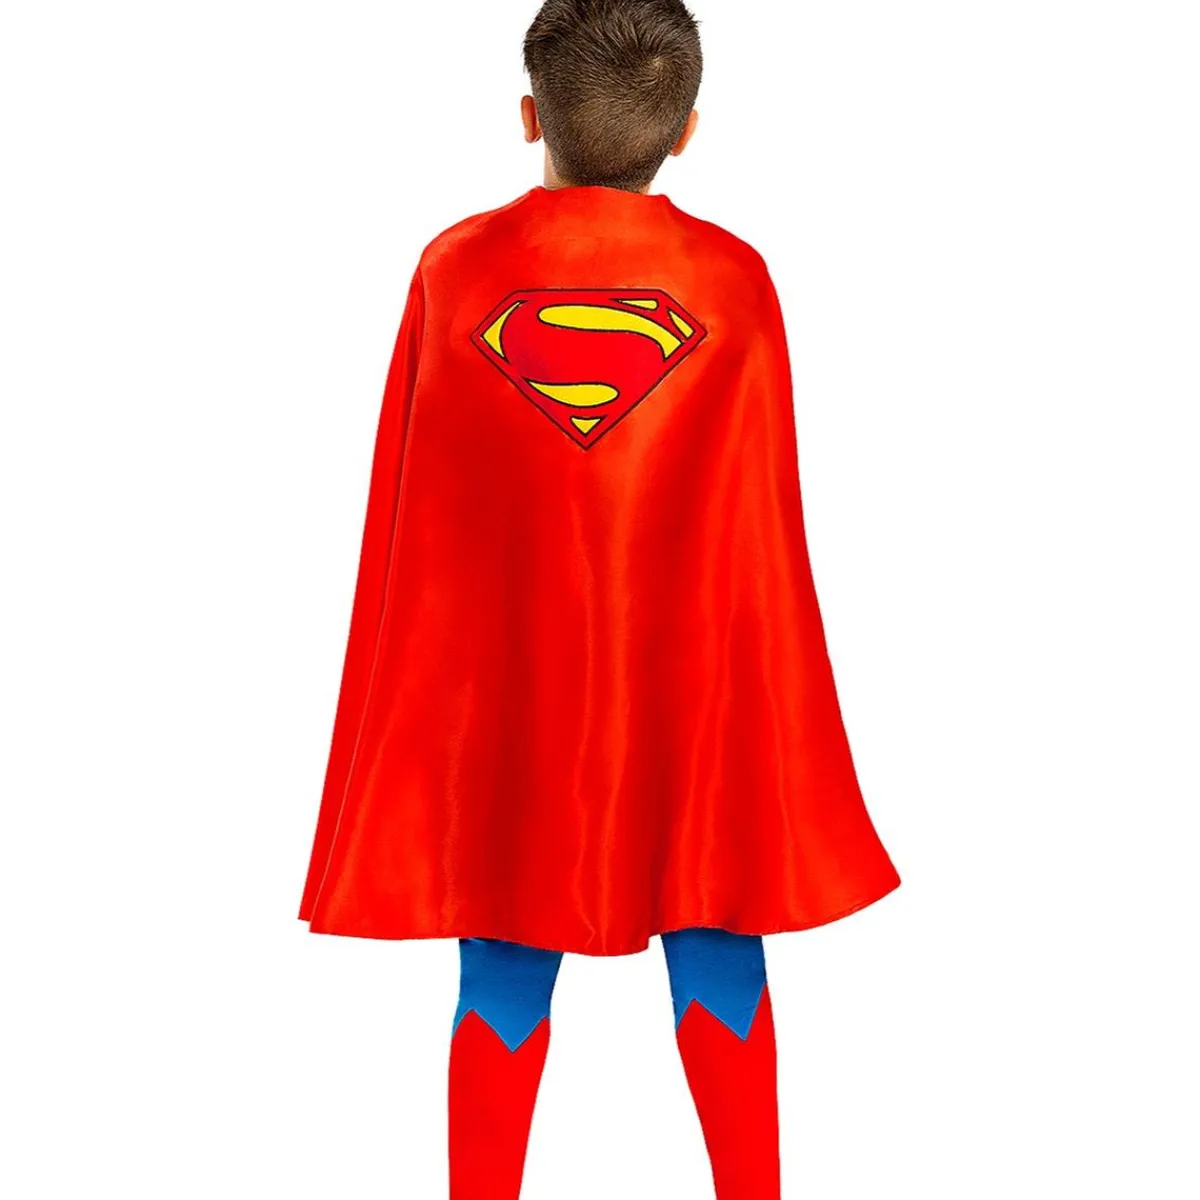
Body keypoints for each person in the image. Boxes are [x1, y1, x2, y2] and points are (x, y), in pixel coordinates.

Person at [298, 1, 900, 1195]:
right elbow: (755, 526)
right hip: (696, 710)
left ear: (530, 118)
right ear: (687, 132)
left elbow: (423, 514)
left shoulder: (456, 271)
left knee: (501, 966)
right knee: (720, 944)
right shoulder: (733, 283)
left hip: (512, 709)